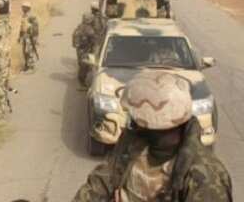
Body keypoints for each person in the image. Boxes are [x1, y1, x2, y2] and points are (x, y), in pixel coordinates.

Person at [73, 71, 233, 202]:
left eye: (136, 120)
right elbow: (101, 181)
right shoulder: (133, 144)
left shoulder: (205, 177)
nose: (133, 124)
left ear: (151, 123)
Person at [72, 14, 97, 86]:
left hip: (79, 50)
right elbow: (94, 41)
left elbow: (75, 43)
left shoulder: (79, 27)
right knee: (85, 66)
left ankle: (81, 80)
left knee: (81, 65)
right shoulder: (89, 30)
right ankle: (82, 82)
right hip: (86, 50)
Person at [18, 2, 39, 72]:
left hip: (30, 36)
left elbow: (36, 27)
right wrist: (19, 36)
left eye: (24, 7)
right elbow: (22, 27)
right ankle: (27, 65)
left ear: (28, 8)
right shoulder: (24, 15)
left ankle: (31, 66)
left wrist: (33, 37)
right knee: (24, 51)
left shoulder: (31, 16)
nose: (22, 8)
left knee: (29, 51)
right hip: (25, 36)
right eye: (22, 7)